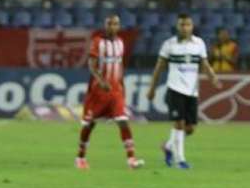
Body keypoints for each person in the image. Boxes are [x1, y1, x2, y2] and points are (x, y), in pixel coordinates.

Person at [146, 14, 221, 170]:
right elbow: (159, 68)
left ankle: (168, 146)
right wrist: (152, 88)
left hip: (192, 91)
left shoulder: (199, 43)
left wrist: (213, 78)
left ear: (192, 26)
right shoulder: (169, 45)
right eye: (182, 25)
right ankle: (180, 160)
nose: (185, 28)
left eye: (187, 25)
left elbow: (205, 64)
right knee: (179, 123)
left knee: (190, 128)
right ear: (177, 26)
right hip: (175, 89)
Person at [75, 15, 144, 170]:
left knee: (122, 121)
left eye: (116, 24)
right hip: (98, 92)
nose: (113, 26)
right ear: (105, 25)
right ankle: (80, 157)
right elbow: (92, 65)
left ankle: (131, 159)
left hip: (115, 92)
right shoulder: (98, 42)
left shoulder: (121, 43)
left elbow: (119, 66)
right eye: (110, 24)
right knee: (89, 125)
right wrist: (100, 81)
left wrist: (121, 86)